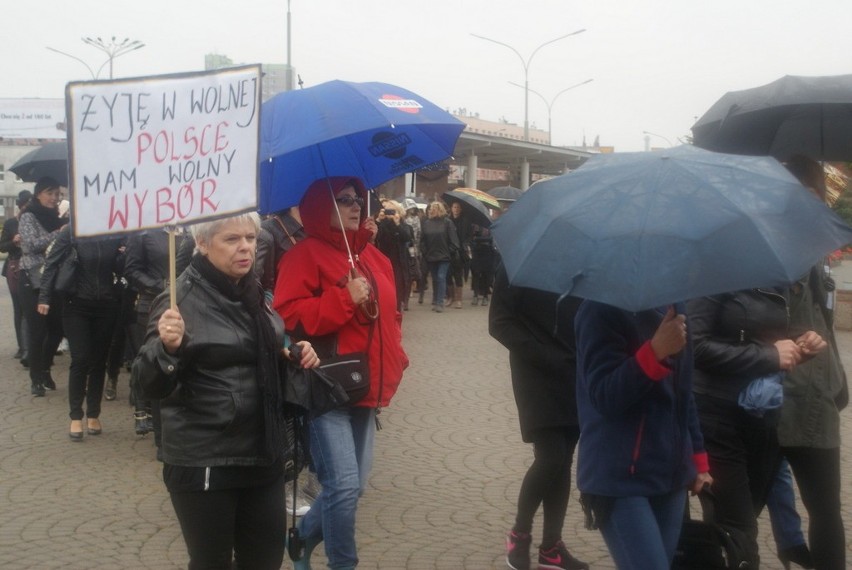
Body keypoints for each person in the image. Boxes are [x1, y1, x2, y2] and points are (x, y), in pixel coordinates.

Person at [133, 212, 319, 569]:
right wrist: (166, 350)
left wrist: (292, 355)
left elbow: (258, 354)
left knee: (264, 561)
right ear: (202, 244)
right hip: (205, 457)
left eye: (250, 237)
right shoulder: (178, 300)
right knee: (212, 563)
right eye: (232, 239)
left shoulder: (255, 294)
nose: (245, 247)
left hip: (262, 452)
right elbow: (147, 383)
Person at [273, 177, 408, 570]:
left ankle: (300, 539)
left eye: (359, 200)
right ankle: (342, 564)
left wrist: (398, 356)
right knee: (344, 486)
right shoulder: (304, 256)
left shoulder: (372, 256)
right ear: (320, 205)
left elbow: (391, 316)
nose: (356, 206)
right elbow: (288, 317)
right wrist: (342, 299)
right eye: (344, 199)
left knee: (351, 488)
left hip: (366, 388)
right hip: (326, 387)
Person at [688, 287, 826, 567]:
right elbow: (694, 346)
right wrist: (768, 356)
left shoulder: (774, 274)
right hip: (717, 417)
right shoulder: (713, 274)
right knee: (739, 527)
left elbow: (771, 332)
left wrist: (803, 343)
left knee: (742, 520)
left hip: (761, 415)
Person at [575, 301, 711, 570]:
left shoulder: (676, 306)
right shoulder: (599, 308)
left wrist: (698, 458)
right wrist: (655, 351)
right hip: (620, 476)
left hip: (669, 474)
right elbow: (604, 396)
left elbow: (684, 394)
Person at [489, 265, 589, 570]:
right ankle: (520, 533)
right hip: (535, 373)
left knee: (563, 460)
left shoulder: (583, 265)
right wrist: (543, 353)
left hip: (576, 371)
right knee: (551, 457)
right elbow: (499, 322)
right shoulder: (519, 263)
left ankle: (551, 548)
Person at [774, 155, 847, 570]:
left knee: (826, 511)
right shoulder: (768, 251)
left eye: (815, 198)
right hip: (770, 398)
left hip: (817, 398)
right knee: (739, 512)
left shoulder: (817, 252)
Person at [38, 225, 125, 440]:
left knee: (99, 361)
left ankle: (93, 413)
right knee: (80, 358)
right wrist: (44, 297)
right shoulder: (71, 231)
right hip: (75, 304)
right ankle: (76, 416)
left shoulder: (113, 232)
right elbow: (51, 263)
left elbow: (123, 267)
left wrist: (123, 255)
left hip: (106, 304)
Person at [18, 177, 65, 396]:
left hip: (56, 281)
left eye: (57, 194)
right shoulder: (28, 216)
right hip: (33, 281)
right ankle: (36, 378)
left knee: (57, 329)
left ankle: (45, 368)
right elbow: (30, 246)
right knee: (37, 331)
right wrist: (60, 232)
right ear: (38, 194)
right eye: (50, 193)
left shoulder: (58, 218)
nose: (54, 198)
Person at [0, 190, 32, 361]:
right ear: (21, 205)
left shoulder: (36, 220)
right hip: (15, 267)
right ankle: (22, 347)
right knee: (19, 308)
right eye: (26, 204)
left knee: (32, 308)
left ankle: (32, 345)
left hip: (33, 267)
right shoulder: (12, 223)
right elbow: (2, 246)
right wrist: (13, 240)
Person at [420, 201, 460, 313]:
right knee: (435, 279)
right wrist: (425, 252)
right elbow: (422, 241)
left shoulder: (448, 223)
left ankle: (440, 303)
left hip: (444, 256)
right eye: (431, 208)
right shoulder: (427, 223)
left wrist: (449, 252)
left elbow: (454, 241)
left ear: (440, 210)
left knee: (441, 277)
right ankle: (436, 300)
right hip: (431, 256)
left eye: (434, 208)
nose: (431, 210)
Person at [375, 199, 413, 312]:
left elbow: (407, 237)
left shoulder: (402, 224)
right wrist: (378, 220)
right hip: (382, 261)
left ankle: (396, 314)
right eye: (386, 210)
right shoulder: (381, 223)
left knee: (397, 291)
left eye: (391, 210)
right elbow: (374, 237)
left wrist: (397, 224)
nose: (389, 213)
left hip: (398, 263)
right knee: (384, 290)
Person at [447, 201, 472, 308]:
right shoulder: (447, 220)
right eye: (454, 207)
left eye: (458, 207)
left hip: (460, 252)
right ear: (451, 208)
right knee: (448, 275)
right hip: (448, 251)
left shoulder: (465, 221)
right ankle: (450, 297)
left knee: (458, 275)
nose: (456, 209)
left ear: (460, 209)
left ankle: (459, 299)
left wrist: (466, 244)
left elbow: (469, 236)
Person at [469, 223, 496, 307]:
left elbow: (492, 238)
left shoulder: (491, 224)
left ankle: (485, 296)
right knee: (476, 274)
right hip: (476, 252)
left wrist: (477, 239)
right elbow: (471, 239)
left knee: (486, 274)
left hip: (488, 252)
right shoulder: (473, 226)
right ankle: (475, 295)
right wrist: (482, 239)